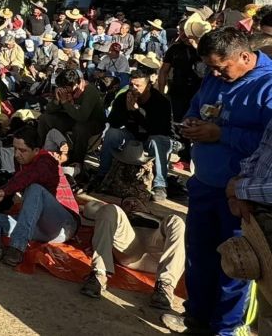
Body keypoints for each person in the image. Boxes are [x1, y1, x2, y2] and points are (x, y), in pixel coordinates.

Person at [161, 28, 272, 335]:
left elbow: (268, 144)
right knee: (199, 258)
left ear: (245, 57)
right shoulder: (214, 76)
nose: (214, 74)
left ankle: (223, 329)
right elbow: (198, 106)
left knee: (234, 265)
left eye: (221, 68)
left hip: (241, 198)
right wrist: (192, 122)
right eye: (210, 68)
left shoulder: (268, 87)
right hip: (204, 186)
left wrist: (221, 134)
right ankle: (196, 319)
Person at [0, 123, 79, 266]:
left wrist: (4, 191)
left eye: (22, 150)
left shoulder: (47, 161)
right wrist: (2, 191)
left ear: (36, 150)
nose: (16, 154)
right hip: (38, 225)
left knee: (35, 189)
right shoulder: (22, 160)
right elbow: (18, 179)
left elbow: (27, 178)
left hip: (64, 224)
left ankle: (17, 248)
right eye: (15, 149)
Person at [80, 200, 185, 310]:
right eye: (126, 203)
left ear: (146, 209)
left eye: (135, 201)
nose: (132, 203)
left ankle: (165, 288)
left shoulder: (158, 219)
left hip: (156, 250)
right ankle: (99, 275)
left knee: (176, 220)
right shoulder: (124, 218)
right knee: (109, 208)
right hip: (130, 246)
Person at [89, 69, 173, 200]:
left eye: (138, 86)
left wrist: (136, 112)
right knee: (112, 134)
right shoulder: (123, 98)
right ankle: (102, 174)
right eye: (131, 85)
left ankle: (160, 184)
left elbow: (160, 129)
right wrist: (127, 110)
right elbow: (113, 122)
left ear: (148, 86)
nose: (133, 89)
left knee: (158, 141)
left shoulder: (161, 102)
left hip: (153, 137)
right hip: (131, 135)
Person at [37, 69, 106, 167]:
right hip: (72, 117)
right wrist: (57, 101)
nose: (62, 89)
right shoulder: (65, 91)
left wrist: (65, 102)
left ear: (74, 85)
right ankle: (43, 150)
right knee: (45, 119)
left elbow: (82, 116)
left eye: (64, 87)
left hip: (92, 121)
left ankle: (77, 162)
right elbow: (49, 110)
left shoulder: (89, 91)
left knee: (80, 128)